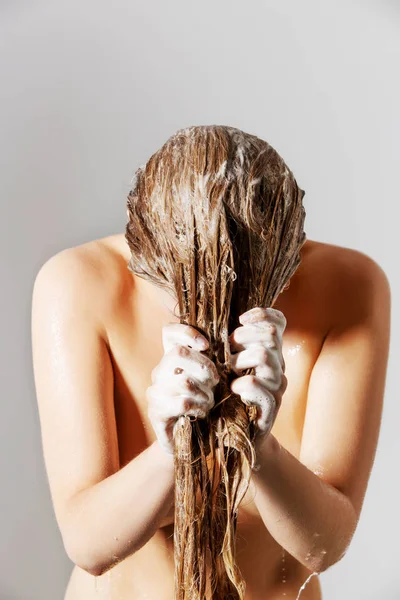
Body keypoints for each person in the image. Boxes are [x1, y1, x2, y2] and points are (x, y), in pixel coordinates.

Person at [31, 126, 391, 600]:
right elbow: (89, 545)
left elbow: (323, 546)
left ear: (289, 256)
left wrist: (261, 451)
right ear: (141, 254)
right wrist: (167, 452)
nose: (217, 326)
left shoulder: (349, 288)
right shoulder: (78, 285)